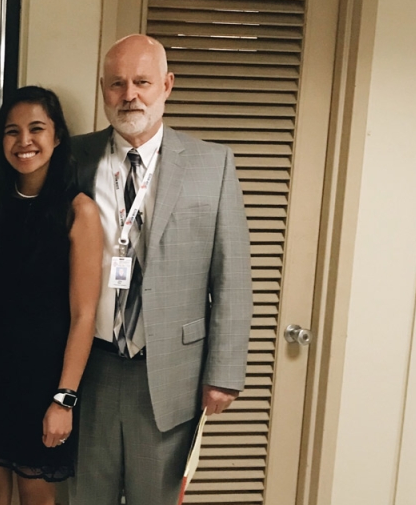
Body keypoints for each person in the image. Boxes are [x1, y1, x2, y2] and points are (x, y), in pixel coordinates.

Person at [68, 34, 253, 504]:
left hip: (171, 373)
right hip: (91, 368)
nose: (129, 95)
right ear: (103, 89)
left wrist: (224, 372)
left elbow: (232, 277)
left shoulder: (213, 165)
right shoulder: (73, 158)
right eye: (117, 84)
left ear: (167, 85)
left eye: (142, 82)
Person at [0, 86, 103, 505]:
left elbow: (84, 315)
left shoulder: (78, 211)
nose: (24, 142)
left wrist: (64, 399)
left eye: (37, 129)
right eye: (12, 131)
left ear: (57, 137)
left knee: (37, 500)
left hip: (43, 385)